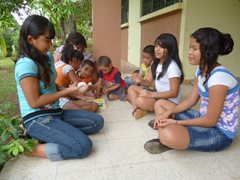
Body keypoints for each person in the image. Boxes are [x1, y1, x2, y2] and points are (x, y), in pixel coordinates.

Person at [15, 15, 104, 161]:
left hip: (56, 112)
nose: (50, 44)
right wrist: (68, 91)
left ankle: (56, 135)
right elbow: (35, 102)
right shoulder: (25, 64)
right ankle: (28, 148)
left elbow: (51, 85)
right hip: (37, 119)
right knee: (83, 146)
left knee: (97, 122)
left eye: (51, 39)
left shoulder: (47, 57)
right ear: (31, 39)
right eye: (47, 39)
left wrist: (71, 90)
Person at [144, 27, 239, 154]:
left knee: (167, 135)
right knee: (160, 103)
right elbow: (191, 100)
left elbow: (211, 121)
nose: (189, 52)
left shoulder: (219, 78)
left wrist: (177, 122)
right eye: (190, 47)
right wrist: (168, 112)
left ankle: (168, 134)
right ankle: (171, 129)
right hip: (203, 118)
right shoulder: (200, 70)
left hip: (219, 133)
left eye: (194, 48)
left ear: (209, 51)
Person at [128, 33, 184, 119]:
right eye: (156, 46)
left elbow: (174, 92)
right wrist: (140, 80)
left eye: (161, 47)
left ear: (170, 49)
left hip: (168, 101)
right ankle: (138, 109)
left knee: (140, 100)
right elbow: (147, 82)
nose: (157, 49)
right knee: (131, 88)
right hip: (157, 95)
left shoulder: (172, 67)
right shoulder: (155, 63)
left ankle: (143, 108)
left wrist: (151, 94)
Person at [55, 44, 98, 112]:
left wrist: (83, 96)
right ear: (74, 60)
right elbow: (80, 86)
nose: (78, 67)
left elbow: (68, 90)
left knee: (93, 105)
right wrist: (95, 87)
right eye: (79, 64)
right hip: (60, 99)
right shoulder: (69, 68)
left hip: (63, 96)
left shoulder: (59, 63)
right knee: (93, 106)